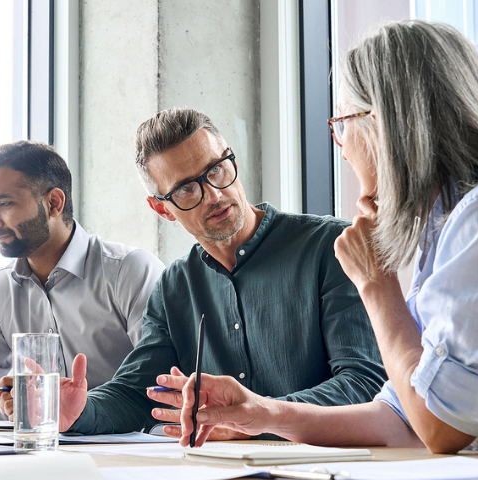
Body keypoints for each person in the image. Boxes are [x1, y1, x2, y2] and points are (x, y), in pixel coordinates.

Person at [174, 20, 478, 454]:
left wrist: (376, 284)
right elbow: (403, 417)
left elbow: (439, 426)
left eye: (342, 123)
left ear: (382, 125)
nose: (341, 146)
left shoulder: (473, 222)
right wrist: (261, 413)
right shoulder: (445, 227)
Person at [34, 108, 387, 438]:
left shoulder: (331, 246)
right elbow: (138, 393)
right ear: (162, 208)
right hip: (221, 477)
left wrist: (258, 417)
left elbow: (365, 381)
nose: (215, 195)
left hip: (330, 473)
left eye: (216, 169)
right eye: (187, 188)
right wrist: (77, 411)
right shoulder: (174, 286)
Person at [0, 140, 165, 419]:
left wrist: (63, 408)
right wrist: (25, 408)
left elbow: (161, 382)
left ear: (53, 203)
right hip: (31, 456)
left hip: (121, 455)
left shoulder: (130, 271)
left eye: (4, 204)